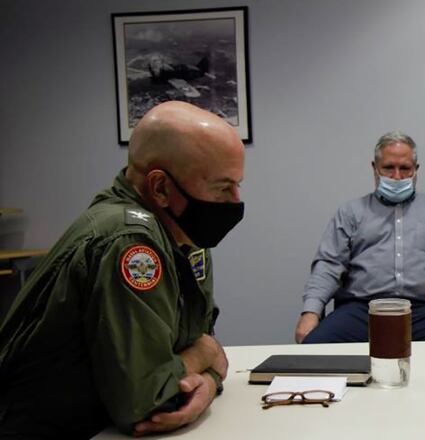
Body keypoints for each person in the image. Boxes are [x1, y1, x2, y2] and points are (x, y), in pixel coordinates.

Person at [0, 101, 245, 438]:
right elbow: (148, 404)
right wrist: (205, 359)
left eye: (237, 185)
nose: (235, 202)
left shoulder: (183, 231)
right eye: (222, 187)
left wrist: (206, 376)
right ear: (160, 188)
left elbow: (197, 340)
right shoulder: (129, 242)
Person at [294, 131, 425, 343]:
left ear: (416, 170)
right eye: (388, 168)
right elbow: (328, 266)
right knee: (314, 347)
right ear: (374, 168)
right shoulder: (351, 212)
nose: (397, 176)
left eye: (405, 169)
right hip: (361, 311)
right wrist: (311, 312)